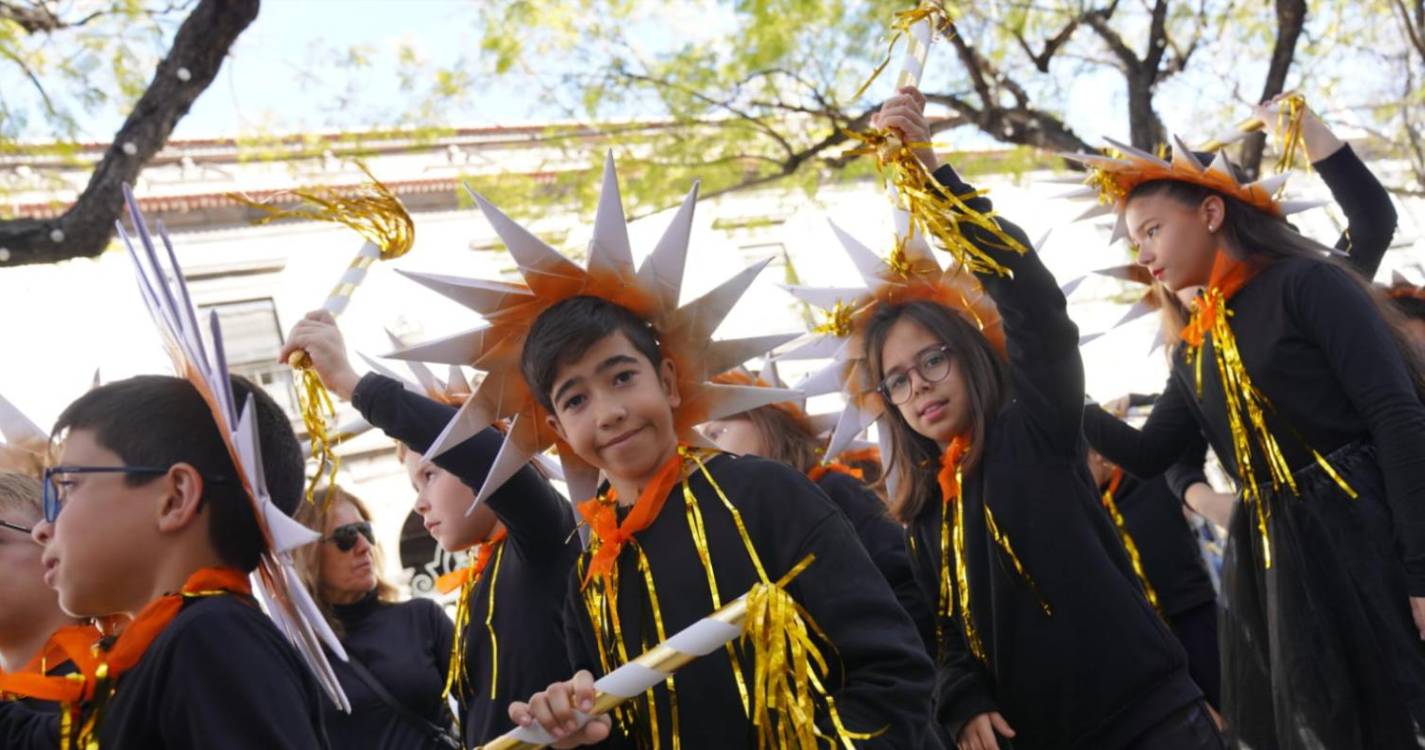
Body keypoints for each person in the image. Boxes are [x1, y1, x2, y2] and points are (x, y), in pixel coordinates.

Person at [859, 86, 1218, 750]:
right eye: (897, 380)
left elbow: (1031, 300)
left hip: (1151, 722)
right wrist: (962, 700)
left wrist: (932, 174)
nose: (919, 386)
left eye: (932, 360)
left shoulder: (1034, 426)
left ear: (969, 355)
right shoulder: (924, 509)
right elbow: (942, 630)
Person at [1068, 100, 1425, 747]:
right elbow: (1149, 454)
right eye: (1135, 241)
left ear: (1211, 212)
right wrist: (1048, 386)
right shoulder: (1196, 350)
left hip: (1372, 529)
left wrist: (1422, 567)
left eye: (1152, 230)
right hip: (1291, 566)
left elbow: (1395, 414)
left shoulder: (1306, 283)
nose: (1144, 255)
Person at [282, 310, 580, 747]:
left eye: (430, 475)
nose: (420, 502)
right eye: (414, 485)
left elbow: (484, 455)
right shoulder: (486, 576)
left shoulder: (542, 538)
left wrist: (352, 384)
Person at [13, 375, 331, 749]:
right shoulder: (166, 651)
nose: (42, 529)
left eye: (67, 487)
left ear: (175, 498)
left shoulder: (211, 635)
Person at [703, 369, 935, 651]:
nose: (707, 450)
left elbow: (905, 582)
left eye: (715, 433)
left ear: (764, 419)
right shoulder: (741, 533)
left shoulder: (833, 489)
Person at [293, 486, 457, 749]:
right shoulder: (299, 654)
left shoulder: (422, 618)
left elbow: (487, 698)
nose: (364, 546)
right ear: (308, 553)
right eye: (346, 537)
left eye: (365, 531)